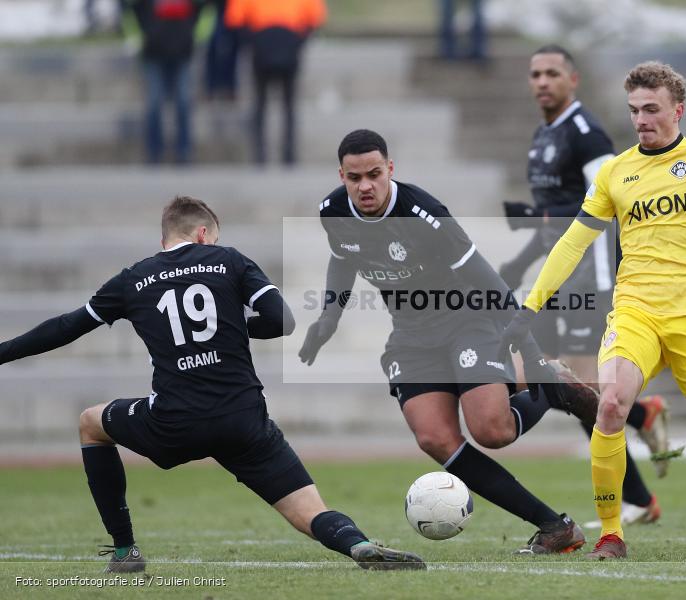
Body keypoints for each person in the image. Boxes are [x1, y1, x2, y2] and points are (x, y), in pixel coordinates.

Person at [0, 196, 425, 572]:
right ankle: (358, 543)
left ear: (168, 235)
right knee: (309, 510)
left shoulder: (133, 279)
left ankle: (126, 552)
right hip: (242, 420)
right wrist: (236, 327)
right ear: (204, 233)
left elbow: (65, 327)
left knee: (91, 422)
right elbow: (283, 321)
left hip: (172, 423)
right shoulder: (229, 260)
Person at [499, 61, 686, 558]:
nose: (641, 119)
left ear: (678, 110)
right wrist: (528, 308)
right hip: (635, 312)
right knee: (611, 405)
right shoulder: (616, 172)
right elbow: (572, 244)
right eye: (634, 110)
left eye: (651, 109)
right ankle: (612, 533)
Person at [299, 129, 597, 554]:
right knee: (434, 438)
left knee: (492, 431)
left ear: (390, 170)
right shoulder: (333, 211)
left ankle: (547, 385)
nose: (365, 186)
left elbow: (486, 281)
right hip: (411, 335)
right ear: (341, 175)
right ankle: (555, 527)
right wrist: (329, 315)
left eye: (374, 174)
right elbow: (343, 257)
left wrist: (529, 350)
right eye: (354, 177)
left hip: (467, 319)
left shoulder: (424, 213)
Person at [499, 45, 669, 524]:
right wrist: (523, 255)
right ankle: (641, 438)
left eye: (552, 73)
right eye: (535, 73)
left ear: (572, 79)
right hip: (558, 278)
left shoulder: (585, 134)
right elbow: (561, 219)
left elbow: (615, 199)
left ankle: (638, 472)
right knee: (570, 390)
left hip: (589, 280)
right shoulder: (543, 135)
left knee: (571, 389)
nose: (542, 81)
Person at [224, 0, 327, 165]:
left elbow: (234, 20)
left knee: (261, 104)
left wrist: (252, 43)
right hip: (288, 44)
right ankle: (288, 155)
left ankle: (260, 155)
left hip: (262, 46)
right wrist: (297, 42)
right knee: (288, 105)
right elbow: (315, 19)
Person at [126, 0, 207, 165]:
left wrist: (192, 35)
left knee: (183, 103)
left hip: (183, 50)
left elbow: (204, 9)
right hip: (154, 51)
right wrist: (144, 35)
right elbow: (131, 9)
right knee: (154, 104)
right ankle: (154, 153)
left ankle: (184, 152)